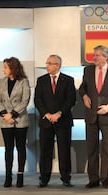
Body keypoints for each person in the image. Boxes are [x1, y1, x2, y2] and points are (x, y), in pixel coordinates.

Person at [78, 45, 108, 188]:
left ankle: (106, 179)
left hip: (107, 115)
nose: (94, 58)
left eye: (97, 55)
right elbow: (82, 87)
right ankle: (93, 179)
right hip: (91, 115)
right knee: (91, 148)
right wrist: (84, 95)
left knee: (106, 148)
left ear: (106, 57)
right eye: (94, 54)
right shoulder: (88, 70)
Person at [34, 54, 76, 188]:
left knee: (64, 150)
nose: (47, 65)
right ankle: (44, 178)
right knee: (45, 150)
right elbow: (38, 100)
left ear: (57, 65)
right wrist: (46, 114)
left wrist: (59, 113)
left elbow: (71, 99)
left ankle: (66, 178)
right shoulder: (41, 80)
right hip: (46, 121)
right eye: (46, 63)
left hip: (63, 120)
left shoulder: (68, 80)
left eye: (49, 63)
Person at [0, 57, 30, 188]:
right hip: (6, 121)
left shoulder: (24, 82)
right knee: (8, 149)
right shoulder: (1, 82)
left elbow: (25, 101)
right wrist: (5, 115)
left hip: (20, 120)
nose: (3, 70)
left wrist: (13, 114)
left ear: (13, 68)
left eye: (6, 67)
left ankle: (20, 175)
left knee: (21, 148)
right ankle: (8, 176)